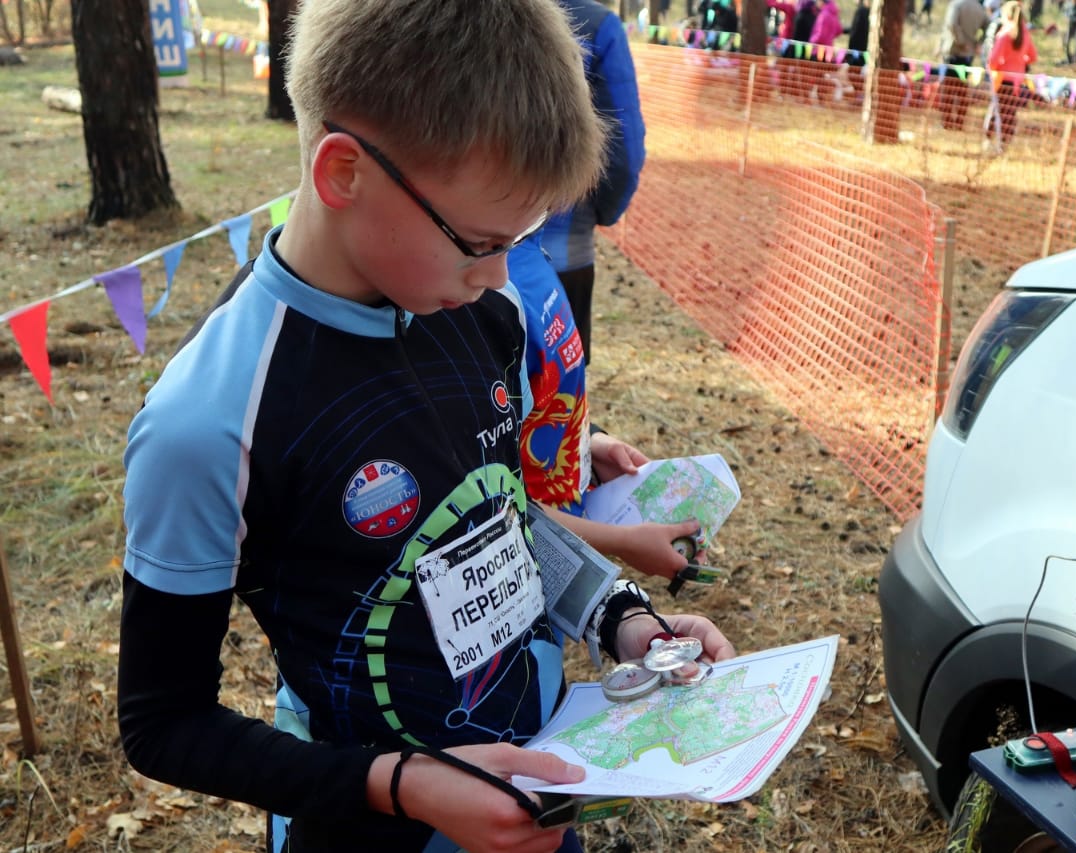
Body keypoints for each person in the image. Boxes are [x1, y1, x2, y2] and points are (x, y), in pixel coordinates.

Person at [116, 3, 735, 853]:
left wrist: (621, 616)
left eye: (517, 242)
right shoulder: (209, 421)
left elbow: (501, 515)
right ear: (344, 172)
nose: (497, 275)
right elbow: (163, 720)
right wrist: (400, 785)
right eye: (478, 242)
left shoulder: (490, 313)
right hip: (368, 827)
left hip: (539, 780)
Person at [506, 235, 699, 580]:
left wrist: (590, 445)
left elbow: (546, 400)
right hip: (522, 558)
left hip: (563, 536)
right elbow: (494, 500)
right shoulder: (489, 288)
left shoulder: (529, 247)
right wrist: (621, 541)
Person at [540, 0, 645, 370]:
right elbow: (622, 153)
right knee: (558, 400)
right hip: (561, 256)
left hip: (455, 253)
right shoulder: (597, 24)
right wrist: (602, 211)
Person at [986, 0, 1037, 149]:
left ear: (1006, 15)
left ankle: (992, 142)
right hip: (1017, 83)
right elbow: (1033, 57)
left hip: (1002, 80)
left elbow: (993, 60)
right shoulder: (1025, 34)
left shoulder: (1004, 34)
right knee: (1010, 114)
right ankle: (1005, 144)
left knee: (997, 111)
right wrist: (1021, 62)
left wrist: (995, 68)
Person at [938, 0, 990, 130]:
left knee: (948, 89)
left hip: (953, 51)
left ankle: (947, 122)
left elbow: (951, 24)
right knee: (962, 90)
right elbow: (989, 27)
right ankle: (960, 122)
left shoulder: (956, 4)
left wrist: (961, 41)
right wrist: (978, 43)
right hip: (968, 54)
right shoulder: (979, 8)